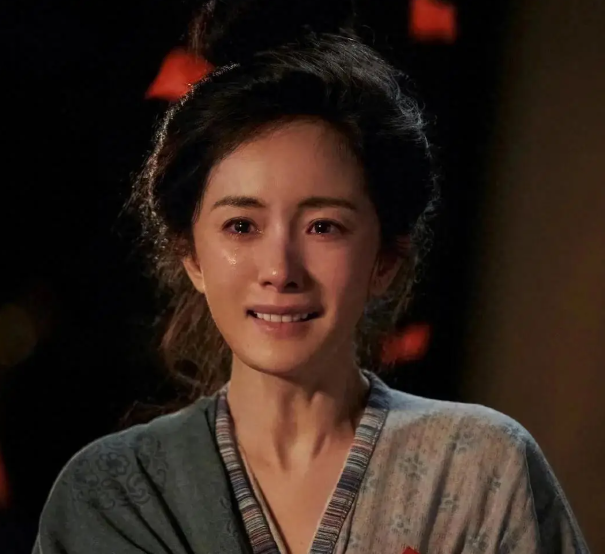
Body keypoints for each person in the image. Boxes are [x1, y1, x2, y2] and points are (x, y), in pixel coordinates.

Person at [33, 1, 590, 553]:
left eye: (324, 226)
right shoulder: (114, 493)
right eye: (241, 226)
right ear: (192, 256)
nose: (280, 270)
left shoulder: (481, 468)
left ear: (385, 260)